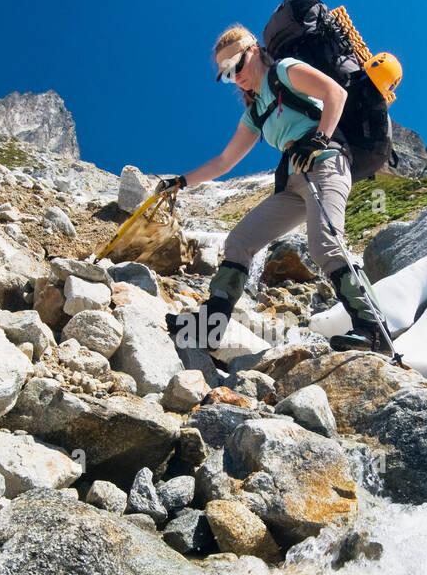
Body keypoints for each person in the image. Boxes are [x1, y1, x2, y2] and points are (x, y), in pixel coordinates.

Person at [157, 23, 388, 353]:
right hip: (295, 181)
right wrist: (180, 181)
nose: (234, 77)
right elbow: (224, 161)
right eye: (226, 74)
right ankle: (209, 327)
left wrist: (319, 139)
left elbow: (336, 94)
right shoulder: (256, 112)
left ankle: (373, 329)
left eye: (236, 66)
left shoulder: (285, 70)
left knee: (325, 243)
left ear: (253, 52)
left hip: (326, 164)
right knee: (240, 240)